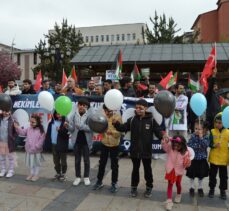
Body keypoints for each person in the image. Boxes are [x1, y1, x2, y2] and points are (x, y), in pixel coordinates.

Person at [112, 99, 165, 198]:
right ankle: (133, 188)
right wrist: (116, 124)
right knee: (135, 170)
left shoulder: (151, 120)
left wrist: (163, 137)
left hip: (146, 151)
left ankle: (149, 187)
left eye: (140, 108)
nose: (138, 110)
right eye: (136, 108)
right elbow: (123, 128)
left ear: (145, 108)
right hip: (134, 151)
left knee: (147, 170)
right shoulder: (132, 120)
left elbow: (158, 131)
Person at [93, 105, 122, 193]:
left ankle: (114, 183)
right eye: (106, 111)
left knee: (114, 165)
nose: (107, 113)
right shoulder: (102, 117)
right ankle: (99, 181)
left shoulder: (117, 117)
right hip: (104, 143)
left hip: (114, 145)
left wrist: (112, 132)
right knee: (102, 163)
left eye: (109, 111)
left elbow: (120, 132)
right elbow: (98, 129)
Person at [66, 98, 93, 186]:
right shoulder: (74, 115)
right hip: (76, 142)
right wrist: (67, 126)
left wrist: (81, 126)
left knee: (86, 160)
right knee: (77, 160)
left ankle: (86, 177)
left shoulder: (90, 116)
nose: (81, 107)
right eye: (80, 105)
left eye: (84, 105)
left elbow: (91, 129)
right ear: (78, 106)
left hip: (86, 142)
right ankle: (77, 177)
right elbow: (72, 129)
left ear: (87, 107)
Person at [161, 135, 191, 211]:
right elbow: (165, 147)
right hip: (170, 170)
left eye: (178, 146)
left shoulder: (186, 152)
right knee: (170, 185)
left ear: (182, 145)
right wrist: (166, 141)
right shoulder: (170, 148)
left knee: (178, 184)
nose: (176, 147)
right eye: (175, 145)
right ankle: (169, 201)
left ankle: (178, 194)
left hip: (179, 171)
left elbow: (187, 163)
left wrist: (187, 163)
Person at [14, 115, 45, 181]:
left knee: (36, 163)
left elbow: (41, 141)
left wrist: (35, 147)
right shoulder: (29, 129)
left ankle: (36, 175)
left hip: (36, 151)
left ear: (38, 122)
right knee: (31, 163)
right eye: (30, 122)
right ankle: (31, 173)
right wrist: (17, 127)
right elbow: (22, 132)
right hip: (29, 150)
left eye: (33, 122)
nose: (31, 123)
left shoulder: (41, 131)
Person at [208, 112, 229, 200]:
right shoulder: (212, 132)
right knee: (212, 175)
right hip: (213, 159)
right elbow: (209, 143)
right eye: (216, 122)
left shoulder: (228, 132)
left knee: (223, 177)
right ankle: (211, 189)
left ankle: (223, 190)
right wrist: (214, 145)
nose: (217, 124)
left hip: (224, 159)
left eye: (220, 122)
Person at [186, 119, 209, 197]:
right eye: (196, 128)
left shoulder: (205, 137)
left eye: (199, 129)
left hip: (201, 159)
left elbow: (206, 145)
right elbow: (189, 145)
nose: (197, 130)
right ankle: (191, 187)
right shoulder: (192, 136)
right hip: (194, 159)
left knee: (201, 175)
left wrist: (201, 138)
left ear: (203, 130)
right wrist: (197, 146)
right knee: (192, 174)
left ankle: (200, 187)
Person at [45, 111, 69, 181]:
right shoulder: (51, 123)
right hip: (54, 144)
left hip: (62, 145)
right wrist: (47, 144)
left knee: (63, 161)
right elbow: (48, 134)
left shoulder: (65, 123)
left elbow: (66, 135)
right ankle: (58, 173)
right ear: (55, 115)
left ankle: (63, 173)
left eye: (61, 113)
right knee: (55, 160)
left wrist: (60, 130)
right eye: (58, 114)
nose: (59, 115)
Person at [0, 110, 17, 178]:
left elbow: (16, 131)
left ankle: (11, 171)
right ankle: (3, 170)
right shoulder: (0, 118)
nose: (5, 112)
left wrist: (13, 137)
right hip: (1, 142)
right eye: (4, 111)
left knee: (10, 157)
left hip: (9, 142)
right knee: (2, 157)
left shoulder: (12, 119)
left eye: (7, 111)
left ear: (10, 111)